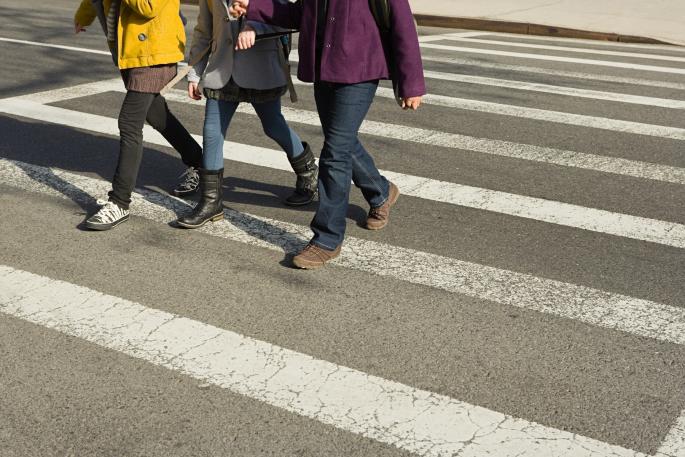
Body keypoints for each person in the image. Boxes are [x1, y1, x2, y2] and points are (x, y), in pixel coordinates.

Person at [229, 0, 425, 269]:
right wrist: (254, 6)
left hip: (360, 70)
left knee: (334, 152)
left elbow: (402, 24)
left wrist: (411, 83)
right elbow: (301, 13)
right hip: (325, 68)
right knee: (341, 141)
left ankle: (327, 239)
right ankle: (380, 191)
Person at [175, 0, 318, 229]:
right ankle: (211, 202)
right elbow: (204, 30)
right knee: (212, 131)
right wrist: (194, 73)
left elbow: (288, 18)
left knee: (273, 126)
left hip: (261, 68)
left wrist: (255, 27)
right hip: (222, 70)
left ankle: (308, 172)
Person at [74, 0, 204, 230]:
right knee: (156, 115)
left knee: (129, 122)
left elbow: (149, 7)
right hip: (129, 49)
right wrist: (84, 15)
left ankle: (119, 202)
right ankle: (201, 163)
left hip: (154, 52)